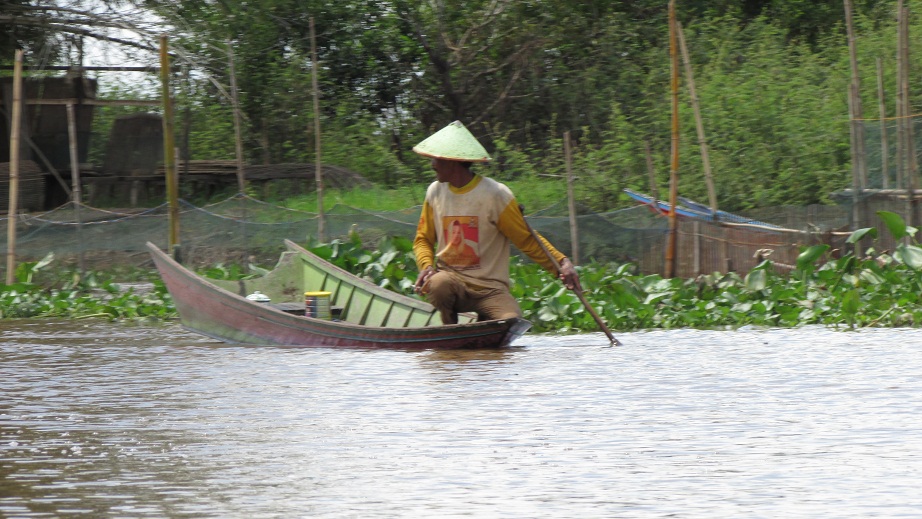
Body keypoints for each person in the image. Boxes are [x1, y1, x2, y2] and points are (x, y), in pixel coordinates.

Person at [411, 120, 580, 324]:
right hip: (452, 281)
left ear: (452, 161)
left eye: (437, 159)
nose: (433, 165)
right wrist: (427, 266)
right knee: (439, 284)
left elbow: (526, 239)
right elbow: (423, 239)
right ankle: (449, 332)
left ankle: (484, 321)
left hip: (490, 289)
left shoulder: (495, 194)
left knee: (510, 322)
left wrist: (561, 263)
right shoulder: (435, 192)